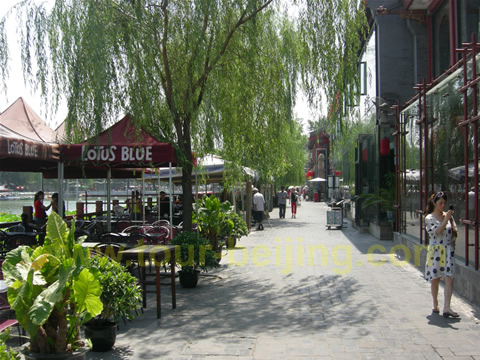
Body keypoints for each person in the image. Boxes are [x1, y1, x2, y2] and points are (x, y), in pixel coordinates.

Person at [424, 191, 459, 318]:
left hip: (448, 250)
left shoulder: (448, 216)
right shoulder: (429, 218)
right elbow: (438, 231)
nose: (443, 206)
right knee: (436, 278)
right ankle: (435, 304)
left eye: (444, 203)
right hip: (436, 251)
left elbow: (453, 230)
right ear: (434, 203)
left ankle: (447, 307)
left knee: (449, 278)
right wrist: (446, 219)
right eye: (440, 203)